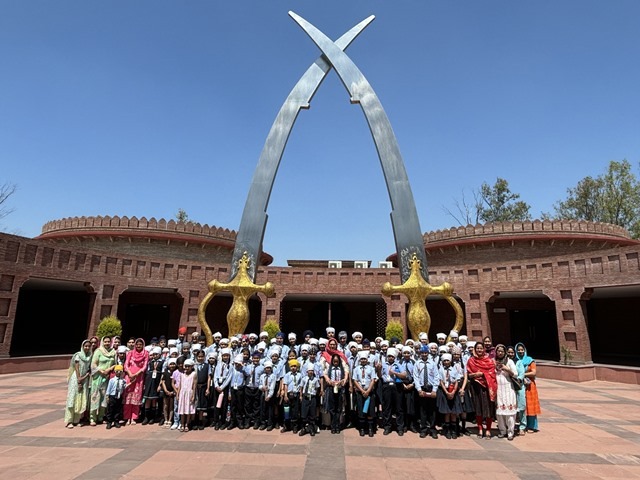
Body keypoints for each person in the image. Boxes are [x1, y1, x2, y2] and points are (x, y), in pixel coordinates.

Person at [466, 342, 497, 439]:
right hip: (476, 387)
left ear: (484, 349)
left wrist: (482, 374)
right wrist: (475, 375)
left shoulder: (489, 361)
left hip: (487, 388)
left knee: (488, 409)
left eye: (481, 348)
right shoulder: (471, 361)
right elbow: (468, 374)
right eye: (477, 348)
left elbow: (492, 373)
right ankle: (480, 428)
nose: (479, 350)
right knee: (478, 408)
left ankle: (488, 429)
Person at [413, 345, 440, 439]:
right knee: (423, 410)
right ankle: (423, 429)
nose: (424, 354)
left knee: (432, 410)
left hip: (431, 388)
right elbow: (415, 377)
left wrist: (434, 390)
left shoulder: (432, 363)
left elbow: (437, 377)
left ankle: (433, 429)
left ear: (428, 353)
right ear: (420, 353)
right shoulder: (417, 363)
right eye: (422, 353)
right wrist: (419, 390)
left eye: (426, 353)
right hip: (422, 389)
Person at [89, 336, 116, 426]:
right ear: (102, 342)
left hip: (107, 377)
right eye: (105, 342)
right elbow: (93, 364)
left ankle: (100, 417)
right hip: (98, 377)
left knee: (104, 398)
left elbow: (115, 364)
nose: (107, 343)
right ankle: (92, 418)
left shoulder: (113, 352)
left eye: (108, 341)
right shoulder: (98, 351)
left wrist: (108, 370)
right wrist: (101, 371)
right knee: (95, 396)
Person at [65, 339, 92, 428]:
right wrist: (79, 379)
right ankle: (69, 421)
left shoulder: (89, 356)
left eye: (88, 346)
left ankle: (77, 420)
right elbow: (76, 368)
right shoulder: (78, 355)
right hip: (76, 379)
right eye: (85, 346)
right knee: (73, 398)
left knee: (81, 399)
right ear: (82, 346)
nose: (87, 348)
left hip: (84, 379)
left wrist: (84, 378)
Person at [516, 342, 541, 433]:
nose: (520, 351)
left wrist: (522, 374)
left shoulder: (530, 360)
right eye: (518, 350)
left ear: (525, 350)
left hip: (530, 386)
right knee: (522, 405)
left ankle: (532, 425)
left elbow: (534, 372)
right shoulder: (516, 360)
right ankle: (522, 424)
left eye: (522, 350)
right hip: (519, 385)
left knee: (530, 405)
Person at [494, 344, 518, 440]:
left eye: (502, 351)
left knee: (510, 412)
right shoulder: (493, 362)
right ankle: (502, 430)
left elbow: (515, 374)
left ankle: (510, 432)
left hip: (508, 389)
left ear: (505, 353)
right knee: (500, 413)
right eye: (498, 351)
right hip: (499, 389)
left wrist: (507, 369)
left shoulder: (509, 361)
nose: (500, 353)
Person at [123, 338, 149, 425]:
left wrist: (136, 374)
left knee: (136, 398)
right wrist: (130, 373)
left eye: (140, 344)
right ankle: (127, 417)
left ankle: (134, 418)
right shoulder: (130, 353)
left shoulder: (145, 353)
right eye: (137, 344)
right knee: (128, 398)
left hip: (139, 378)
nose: (138, 346)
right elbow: (126, 364)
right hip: (129, 377)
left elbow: (144, 366)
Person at [437, 353, 463, 439]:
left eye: (447, 360)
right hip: (445, 392)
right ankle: (447, 430)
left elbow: (456, 381)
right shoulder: (441, 370)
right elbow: (441, 382)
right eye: (444, 361)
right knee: (447, 412)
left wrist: (453, 392)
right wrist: (447, 392)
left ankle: (454, 430)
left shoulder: (454, 369)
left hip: (453, 393)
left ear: (450, 361)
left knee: (454, 413)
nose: (446, 362)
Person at [351, 350, 377, 437]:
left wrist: (368, 390)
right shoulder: (356, 369)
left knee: (370, 411)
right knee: (361, 410)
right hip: (360, 392)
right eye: (361, 359)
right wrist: (362, 391)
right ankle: (361, 428)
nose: (363, 360)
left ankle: (370, 428)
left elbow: (373, 380)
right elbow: (354, 380)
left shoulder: (371, 369)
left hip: (369, 392)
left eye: (364, 359)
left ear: (367, 360)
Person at [323, 353, 347, 434]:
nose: (335, 363)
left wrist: (342, 381)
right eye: (334, 361)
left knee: (339, 408)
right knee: (332, 409)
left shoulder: (341, 369)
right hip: (331, 389)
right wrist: (329, 381)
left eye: (337, 361)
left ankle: (338, 426)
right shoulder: (330, 368)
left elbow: (344, 378)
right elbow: (325, 375)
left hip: (339, 390)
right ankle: (333, 426)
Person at [507, 345, 527, 435]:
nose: (511, 354)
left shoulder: (518, 362)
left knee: (521, 407)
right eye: (509, 352)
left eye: (512, 352)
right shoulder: (505, 362)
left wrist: (517, 379)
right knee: (511, 407)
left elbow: (522, 373)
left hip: (519, 387)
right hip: (509, 387)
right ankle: (512, 425)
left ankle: (522, 426)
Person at [141, 346, 163, 425]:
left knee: (154, 399)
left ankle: (153, 418)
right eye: (154, 354)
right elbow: (146, 373)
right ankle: (147, 417)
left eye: (157, 354)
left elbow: (163, 375)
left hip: (156, 382)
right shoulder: (150, 362)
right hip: (149, 381)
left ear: (160, 354)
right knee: (147, 399)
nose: (155, 356)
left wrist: (160, 384)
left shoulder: (162, 362)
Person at [299, 363, 320, 436]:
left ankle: (311, 429)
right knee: (304, 414)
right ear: (307, 372)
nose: (310, 372)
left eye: (312, 371)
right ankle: (304, 428)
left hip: (312, 397)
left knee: (312, 414)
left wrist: (314, 394)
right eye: (309, 371)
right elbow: (301, 387)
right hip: (305, 397)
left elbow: (317, 388)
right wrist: (301, 396)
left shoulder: (315, 380)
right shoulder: (304, 379)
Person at [105, 364, 127, 429]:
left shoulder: (123, 380)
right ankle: (109, 422)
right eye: (117, 371)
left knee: (118, 409)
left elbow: (124, 388)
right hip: (112, 396)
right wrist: (107, 396)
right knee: (110, 409)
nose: (118, 372)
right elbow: (109, 388)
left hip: (119, 396)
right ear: (115, 372)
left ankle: (116, 421)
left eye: (120, 371)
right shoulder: (112, 380)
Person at [177, 358, 197, 431]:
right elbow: (180, 385)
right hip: (183, 393)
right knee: (182, 410)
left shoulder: (194, 374)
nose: (187, 368)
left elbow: (194, 386)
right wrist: (178, 393)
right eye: (186, 366)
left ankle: (187, 424)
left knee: (188, 410)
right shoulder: (182, 374)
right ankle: (182, 424)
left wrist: (193, 395)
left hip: (189, 393)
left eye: (189, 366)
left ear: (192, 366)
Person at [160, 358, 177, 427]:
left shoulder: (176, 372)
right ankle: (165, 419)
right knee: (165, 405)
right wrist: (166, 390)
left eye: (173, 364)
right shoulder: (165, 372)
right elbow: (163, 382)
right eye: (171, 364)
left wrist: (173, 391)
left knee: (171, 406)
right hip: (166, 392)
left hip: (173, 392)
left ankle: (170, 420)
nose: (172, 366)